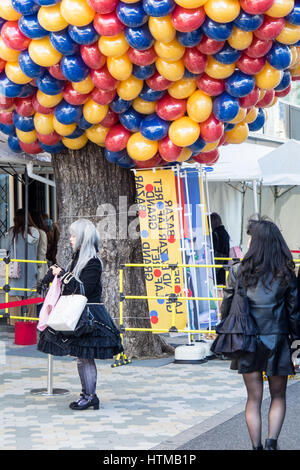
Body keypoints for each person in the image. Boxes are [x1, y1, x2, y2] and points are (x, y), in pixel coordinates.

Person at [220, 216, 300, 450]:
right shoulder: (285, 272)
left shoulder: (237, 271)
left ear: (255, 242)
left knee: (253, 399)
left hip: (247, 340)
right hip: (277, 339)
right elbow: (294, 312)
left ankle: (256, 447)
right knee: (278, 396)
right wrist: (296, 341)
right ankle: (272, 443)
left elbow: (227, 304)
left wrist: (224, 331)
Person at [37, 218, 123, 411]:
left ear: (84, 238)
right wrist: (56, 275)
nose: (70, 239)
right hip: (79, 314)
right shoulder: (77, 260)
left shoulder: (93, 262)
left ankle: (90, 395)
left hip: (90, 315)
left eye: (74, 235)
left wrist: (63, 275)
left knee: (85, 357)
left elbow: (83, 289)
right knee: (81, 357)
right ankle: (87, 394)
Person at [4, 209, 40, 324]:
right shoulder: (35, 232)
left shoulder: (12, 232)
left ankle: (16, 324)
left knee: (14, 294)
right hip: (31, 268)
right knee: (31, 295)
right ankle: (31, 322)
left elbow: (4, 247)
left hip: (16, 270)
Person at [210, 212, 230, 286]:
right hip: (224, 262)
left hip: (217, 263)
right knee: (221, 286)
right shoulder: (225, 232)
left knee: (217, 286)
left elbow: (214, 249)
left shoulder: (215, 233)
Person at [31, 212, 48, 282]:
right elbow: (42, 250)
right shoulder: (41, 233)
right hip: (38, 264)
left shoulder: (38, 233)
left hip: (36, 264)